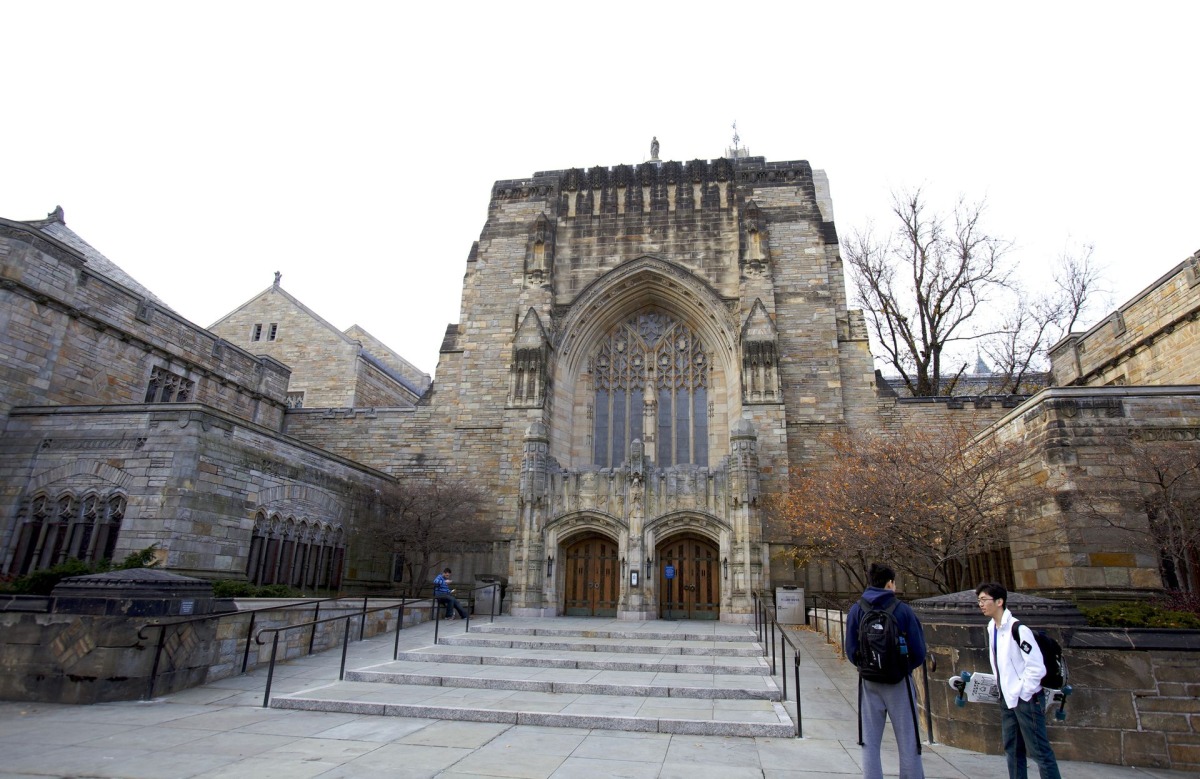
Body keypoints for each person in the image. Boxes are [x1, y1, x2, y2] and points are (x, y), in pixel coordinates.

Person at [845, 563, 927, 779]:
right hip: (899, 682)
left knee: (869, 741)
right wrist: (901, 669)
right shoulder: (902, 610)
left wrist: (868, 668)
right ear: (890, 583)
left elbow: (851, 650)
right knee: (908, 739)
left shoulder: (857, 609)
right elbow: (919, 652)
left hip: (869, 683)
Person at [976, 582, 1062, 779]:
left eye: (984, 600)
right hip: (1007, 698)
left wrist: (1023, 691)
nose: (980, 604)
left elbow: (1036, 667)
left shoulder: (1019, 629)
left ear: (999, 601)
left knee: (1040, 751)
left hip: (1026, 699)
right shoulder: (992, 628)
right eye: (979, 600)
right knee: (1013, 750)